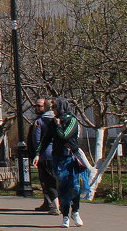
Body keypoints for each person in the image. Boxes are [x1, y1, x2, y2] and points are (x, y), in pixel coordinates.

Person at [34, 97, 87, 228]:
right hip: (58, 159)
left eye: (55, 108)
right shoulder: (53, 122)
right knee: (62, 188)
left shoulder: (72, 120)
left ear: (61, 107)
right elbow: (45, 139)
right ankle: (65, 217)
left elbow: (64, 136)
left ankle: (75, 211)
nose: (53, 111)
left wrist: (57, 125)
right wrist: (37, 154)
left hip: (71, 158)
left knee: (75, 187)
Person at [29, 97, 60, 215]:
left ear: (46, 107)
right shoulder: (58, 119)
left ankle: (55, 206)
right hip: (59, 154)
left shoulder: (40, 121)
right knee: (57, 180)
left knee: (48, 182)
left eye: (39, 106)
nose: (36, 108)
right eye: (35, 106)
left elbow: (37, 140)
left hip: (46, 155)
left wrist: (36, 153)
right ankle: (54, 204)